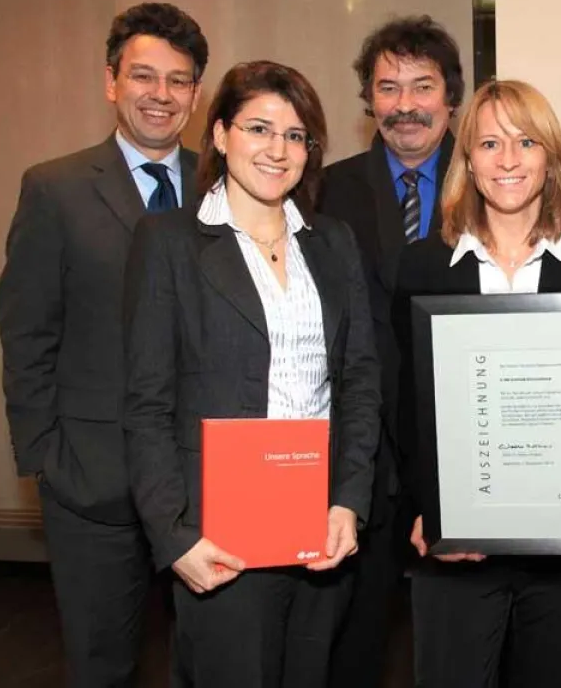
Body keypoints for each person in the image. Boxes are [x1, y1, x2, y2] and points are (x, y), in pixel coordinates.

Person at [395, 79, 561, 688]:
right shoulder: (419, 268)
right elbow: (403, 407)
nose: (509, 159)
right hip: (457, 547)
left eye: (525, 141)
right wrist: (425, 509)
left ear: (550, 158)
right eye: (490, 143)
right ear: (467, 161)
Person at [122, 60, 381, 686]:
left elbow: (359, 383)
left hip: (320, 528)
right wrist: (174, 536)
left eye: (296, 136)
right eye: (259, 128)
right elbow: (147, 404)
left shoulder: (333, 241)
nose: (277, 149)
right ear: (218, 135)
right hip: (219, 537)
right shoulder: (170, 242)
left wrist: (349, 501)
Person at [0, 2, 207, 687]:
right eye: (144, 76)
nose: (161, 95)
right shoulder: (53, 188)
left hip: (207, 481)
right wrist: (46, 458)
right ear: (111, 81)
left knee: (206, 661)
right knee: (100, 664)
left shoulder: (225, 186)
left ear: (197, 94)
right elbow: (27, 332)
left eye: (179, 80)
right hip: (91, 475)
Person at [317, 16, 462, 687]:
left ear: (452, 95)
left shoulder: (495, 171)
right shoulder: (324, 188)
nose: (405, 105)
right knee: (356, 631)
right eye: (387, 87)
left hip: (463, 440)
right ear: (369, 100)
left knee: (460, 627)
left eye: (422, 86)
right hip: (360, 446)